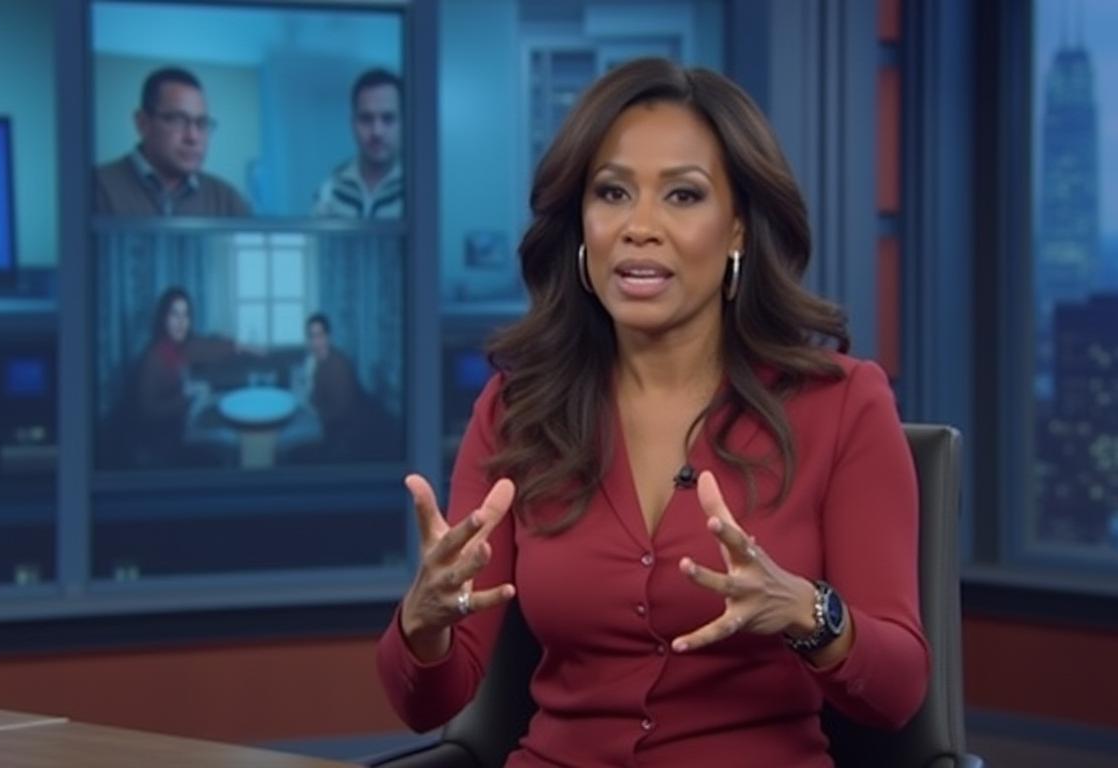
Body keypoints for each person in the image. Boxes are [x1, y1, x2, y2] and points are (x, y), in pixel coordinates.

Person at [376, 58, 928, 766]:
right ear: (582, 223)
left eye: (683, 195)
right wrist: (423, 622)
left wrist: (806, 612)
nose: (639, 227)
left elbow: (898, 692)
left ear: (738, 229)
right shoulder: (519, 410)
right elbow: (426, 702)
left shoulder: (842, 404)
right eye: (612, 192)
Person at [95, 67, 250, 217]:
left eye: (202, 123)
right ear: (142, 123)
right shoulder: (97, 187)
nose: (193, 137)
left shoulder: (226, 200)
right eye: (178, 120)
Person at [131, 286, 243, 465]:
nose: (181, 322)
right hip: (162, 445)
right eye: (174, 315)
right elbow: (147, 411)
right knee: (225, 456)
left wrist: (232, 345)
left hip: (182, 430)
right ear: (163, 318)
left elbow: (209, 349)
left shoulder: (179, 347)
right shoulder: (153, 357)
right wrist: (186, 398)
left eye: (185, 315)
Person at [311, 69, 403, 218]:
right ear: (353, 124)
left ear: (405, 123)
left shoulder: (418, 188)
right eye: (366, 119)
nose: (377, 132)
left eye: (388, 118)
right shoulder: (331, 191)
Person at [301, 313, 368, 453]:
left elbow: (340, 412)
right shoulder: (317, 361)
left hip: (339, 435)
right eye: (311, 337)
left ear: (328, 337)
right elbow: (315, 395)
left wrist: (314, 413)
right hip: (323, 422)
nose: (315, 342)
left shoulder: (338, 366)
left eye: (319, 336)